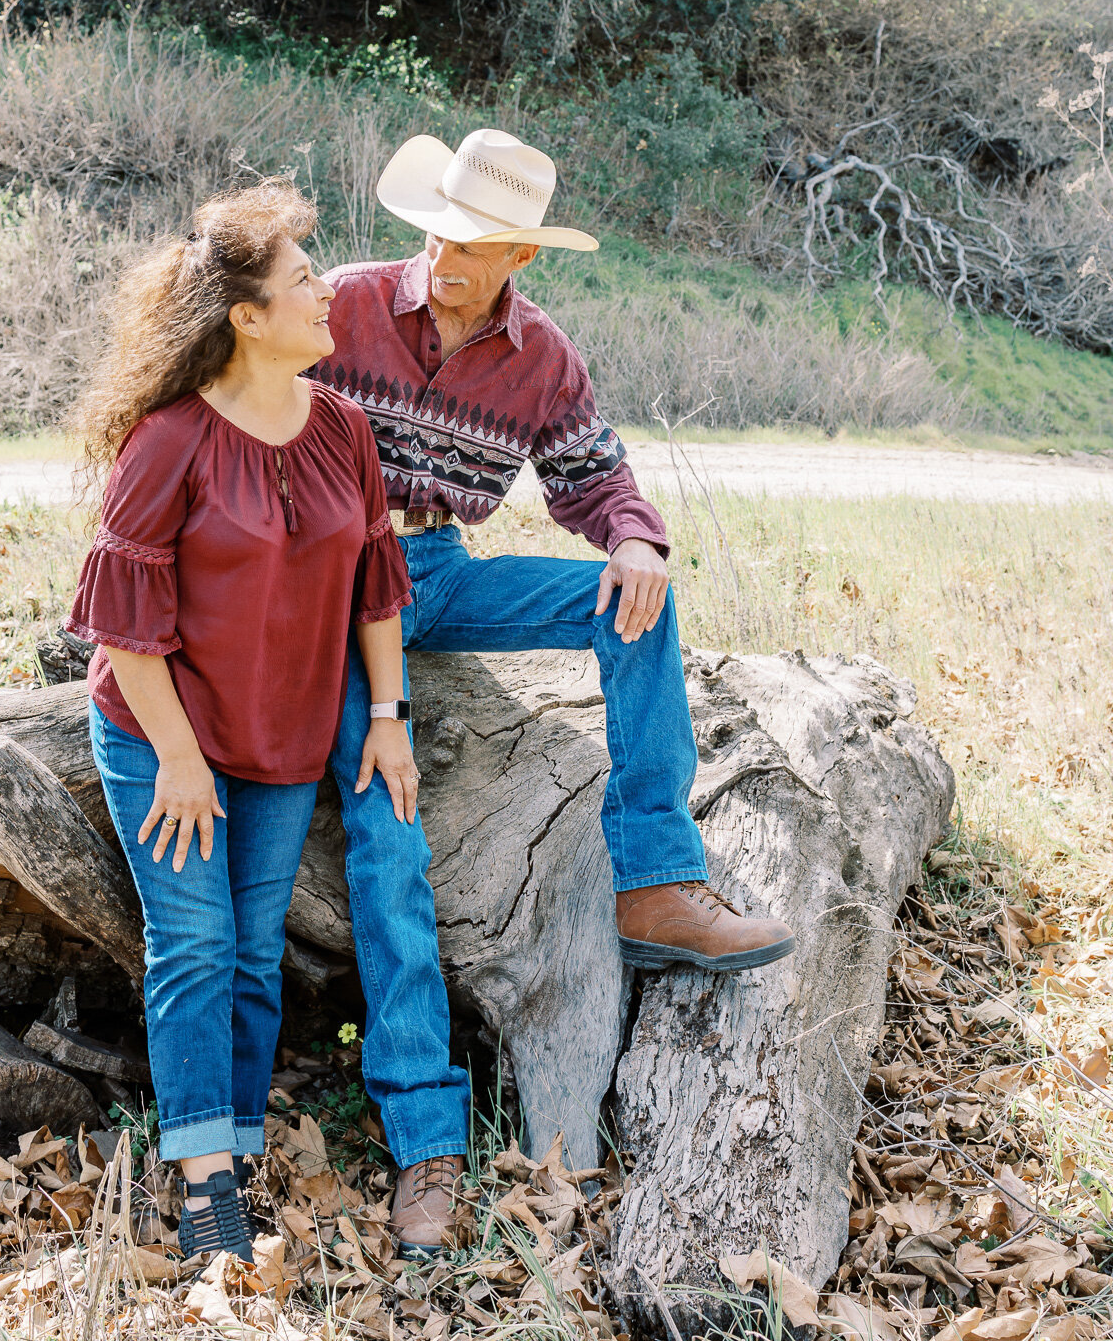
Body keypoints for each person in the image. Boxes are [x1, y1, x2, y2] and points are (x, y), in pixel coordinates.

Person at [309, 128, 797, 1256]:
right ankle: (427, 1138)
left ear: (521, 251)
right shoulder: (341, 306)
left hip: (440, 574)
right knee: (390, 828)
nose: (444, 251)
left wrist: (634, 537)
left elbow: (596, 476)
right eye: (438, 225)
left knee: (638, 599)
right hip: (335, 592)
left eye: (474, 240)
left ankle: (657, 884)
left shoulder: (541, 357)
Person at [65, 179, 415, 1262]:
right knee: (198, 944)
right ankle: (207, 1185)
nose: (329, 297)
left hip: (281, 741)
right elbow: (122, 626)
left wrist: (389, 715)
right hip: (161, 732)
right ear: (246, 319)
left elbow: (376, 582)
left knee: (256, 955)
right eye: (305, 282)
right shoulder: (167, 442)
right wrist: (175, 757)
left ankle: (240, 1134)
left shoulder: (345, 428)